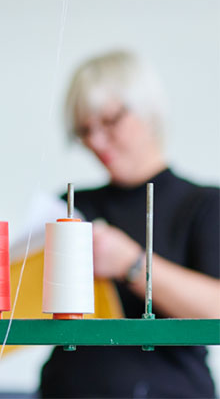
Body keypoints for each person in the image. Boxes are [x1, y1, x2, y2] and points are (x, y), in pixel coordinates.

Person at [40, 50, 220, 399]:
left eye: (109, 121)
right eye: (84, 130)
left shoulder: (204, 205)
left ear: (148, 110)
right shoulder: (72, 206)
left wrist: (132, 264)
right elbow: (23, 302)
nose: (96, 141)